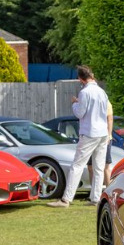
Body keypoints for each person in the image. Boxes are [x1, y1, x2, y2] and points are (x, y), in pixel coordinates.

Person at [48, 66, 111, 208]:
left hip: (89, 132)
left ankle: (66, 199)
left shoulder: (84, 92)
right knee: (99, 167)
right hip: (102, 132)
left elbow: (80, 113)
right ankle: (96, 198)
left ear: (80, 79)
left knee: (77, 165)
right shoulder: (102, 92)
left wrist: (74, 104)